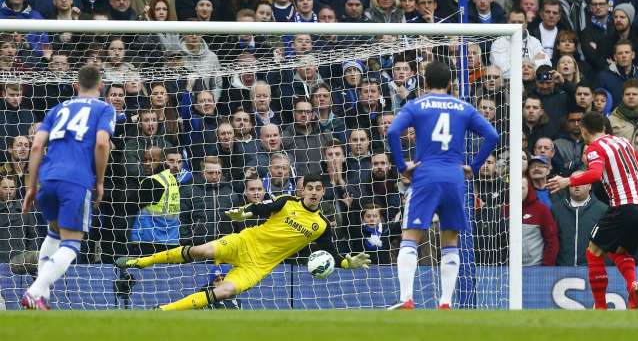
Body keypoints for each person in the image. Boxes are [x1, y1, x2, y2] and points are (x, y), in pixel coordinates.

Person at [115, 174, 371, 311]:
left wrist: (349, 263)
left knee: (225, 292)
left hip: (258, 267)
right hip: (244, 242)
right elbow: (262, 208)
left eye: (318, 189)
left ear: (323, 192)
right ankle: (139, 262)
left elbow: (333, 254)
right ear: (303, 190)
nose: (314, 192)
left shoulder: (322, 225)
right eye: (310, 188)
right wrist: (243, 213)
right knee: (200, 250)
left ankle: (163, 311)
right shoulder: (287, 201)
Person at [386, 61, 499, 309]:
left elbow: (393, 132)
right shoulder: (464, 107)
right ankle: (446, 302)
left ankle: (406, 298)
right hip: (454, 177)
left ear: (424, 83)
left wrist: (402, 166)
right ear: (450, 83)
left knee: (410, 237)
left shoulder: (416, 105)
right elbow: (493, 136)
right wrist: (474, 166)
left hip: (425, 176)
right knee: (450, 240)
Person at [20, 65, 115, 310]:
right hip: (76, 180)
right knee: (72, 244)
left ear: (76, 85)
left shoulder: (56, 109)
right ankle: (35, 291)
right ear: (101, 85)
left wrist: (31, 186)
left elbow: (36, 146)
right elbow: (103, 143)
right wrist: (101, 180)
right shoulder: (105, 108)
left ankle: (42, 298)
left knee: (53, 233)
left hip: (47, 178)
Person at [547, 111, 638, 309]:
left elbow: (595, 174)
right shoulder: (625, 143)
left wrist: (567, 180)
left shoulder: (595, 147)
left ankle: (600, 307)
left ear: (584, 131)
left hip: (624, 205)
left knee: (593, 252)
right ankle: (633, 285)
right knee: (620, 251)